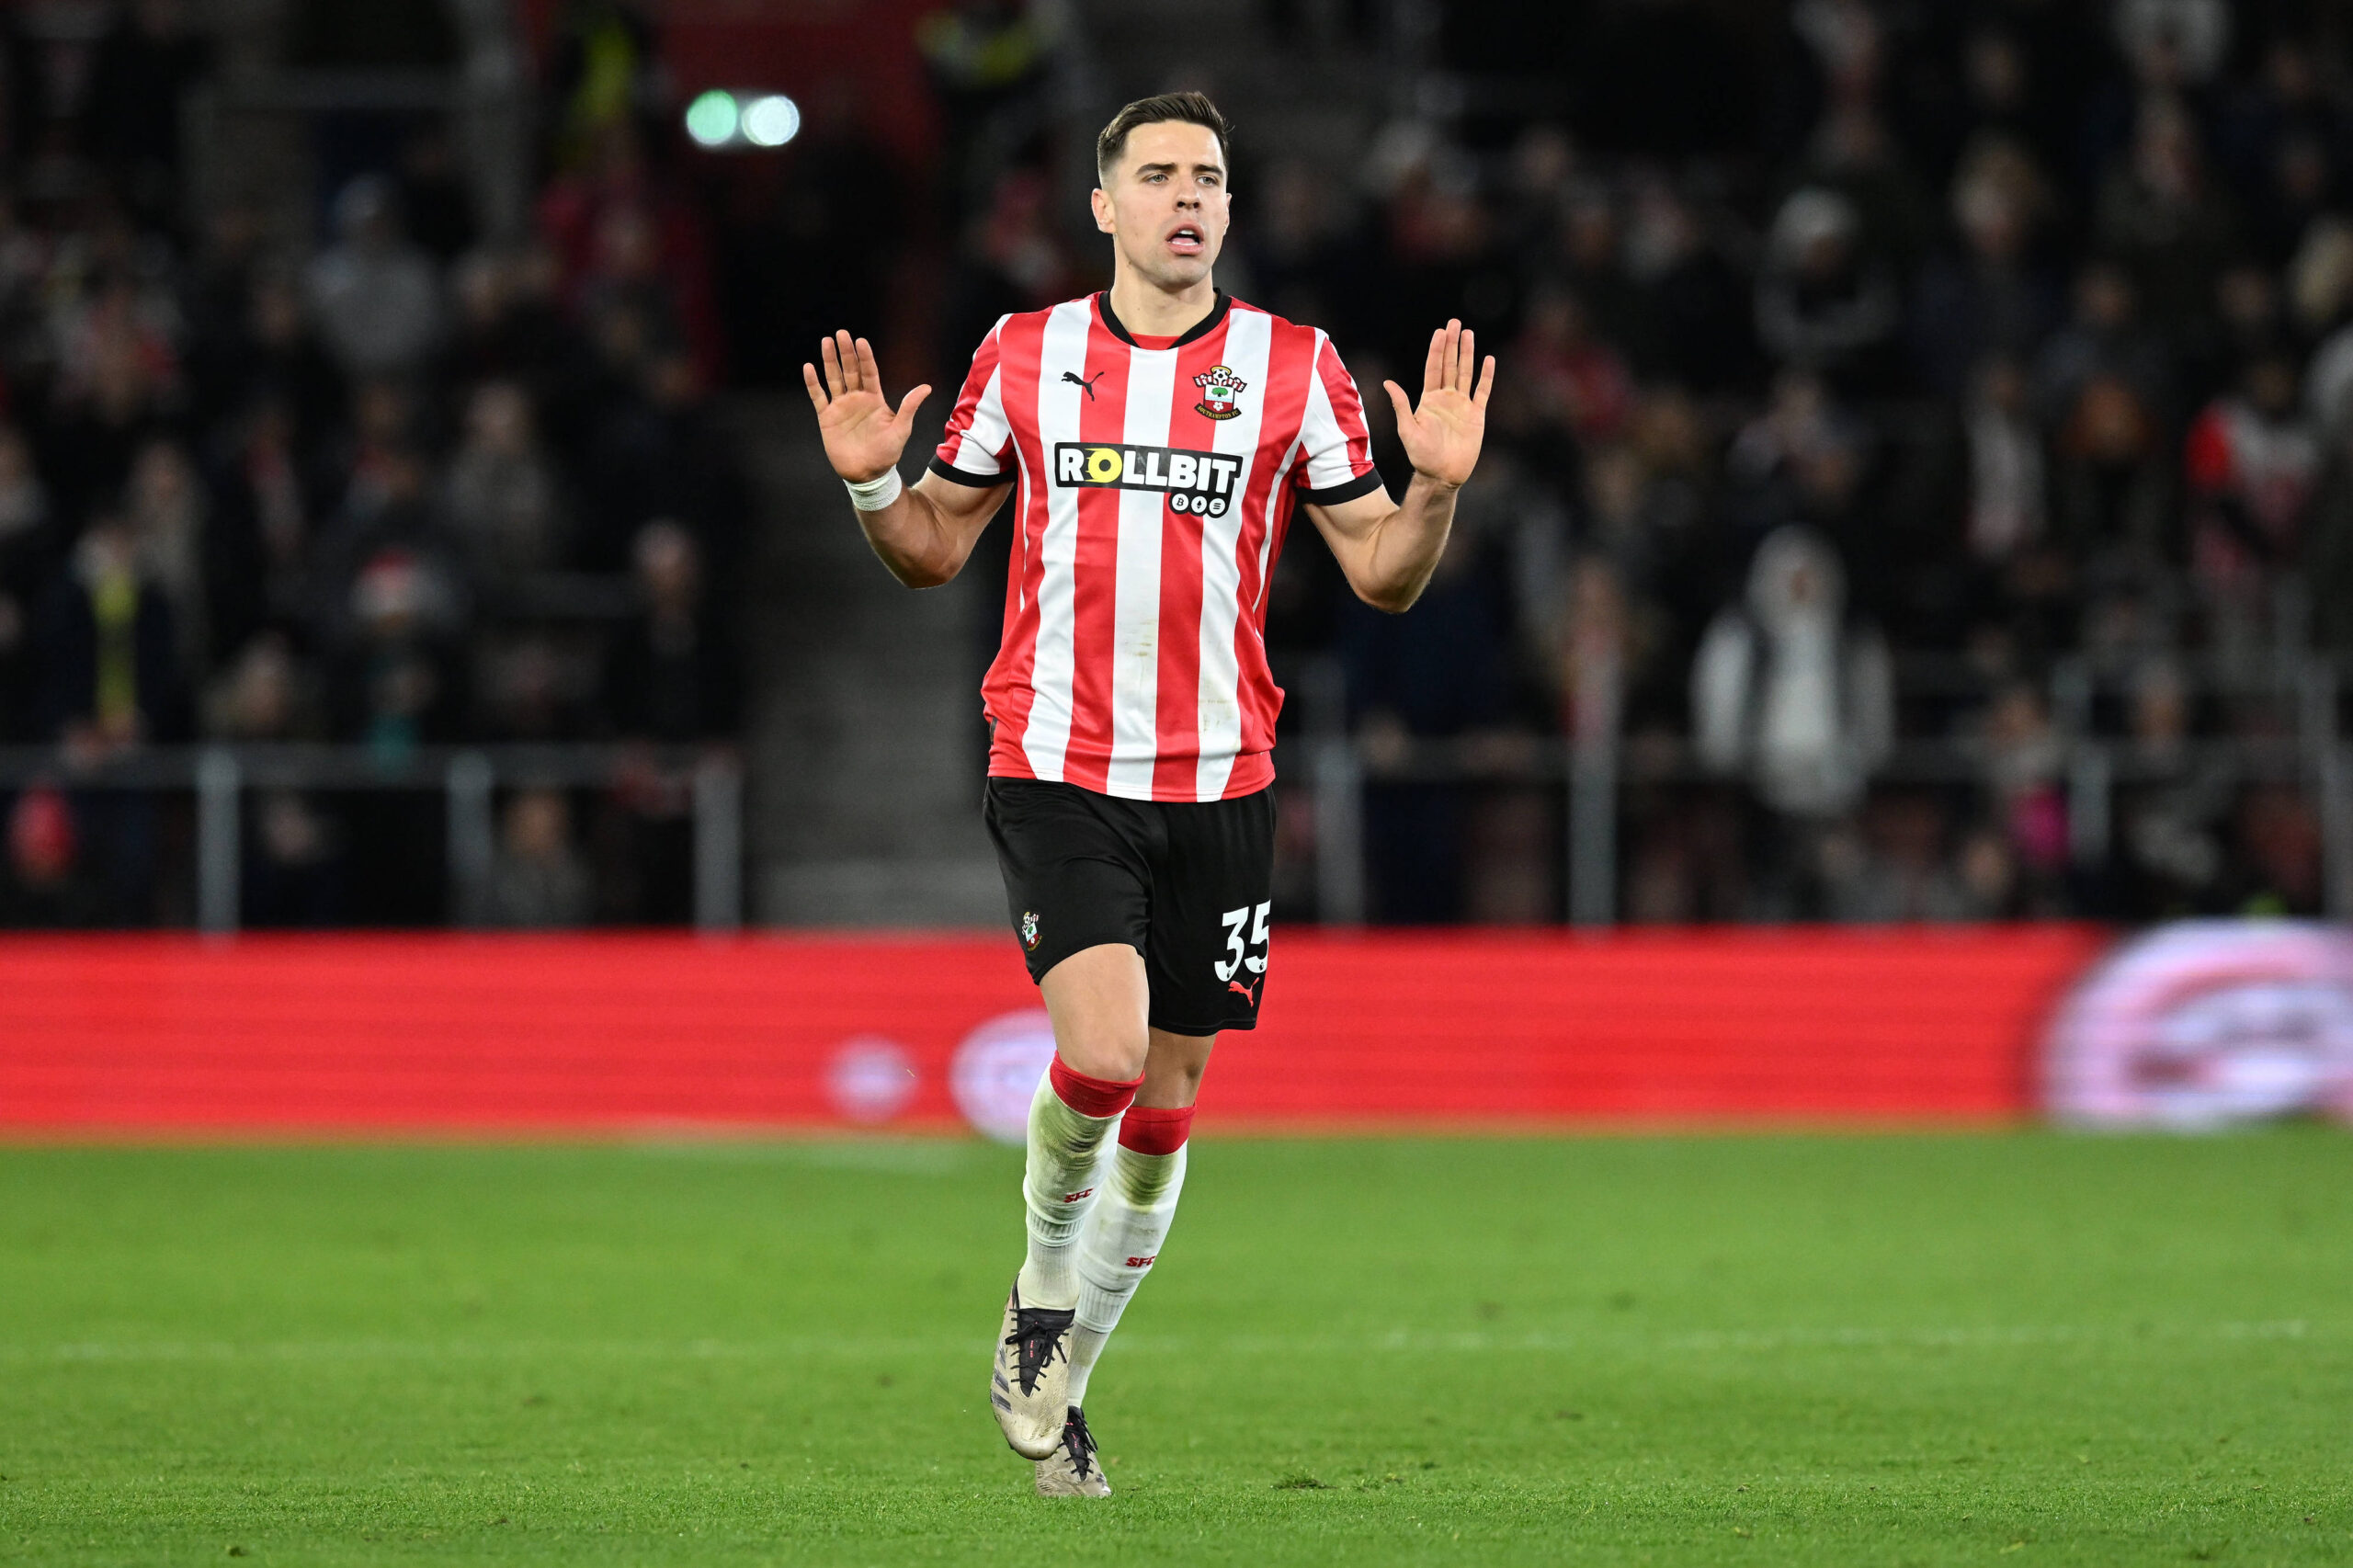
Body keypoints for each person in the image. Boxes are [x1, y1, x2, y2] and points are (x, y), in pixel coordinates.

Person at [801, 93, 1495, 1497]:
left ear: (1230, 214)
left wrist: (1430, 494)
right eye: (1161, 174)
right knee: (1107, 1053)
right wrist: (879, 491)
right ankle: (1042, 1277)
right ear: (1105, 207)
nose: (1190, 196)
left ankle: (1057, 1373)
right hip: (1059, 762)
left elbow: (1381, 572)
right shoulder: (1026, 352)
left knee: (1170, 1101)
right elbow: (936, 551)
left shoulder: (1294, 368)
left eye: (1213, 178)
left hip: (1224, 779)